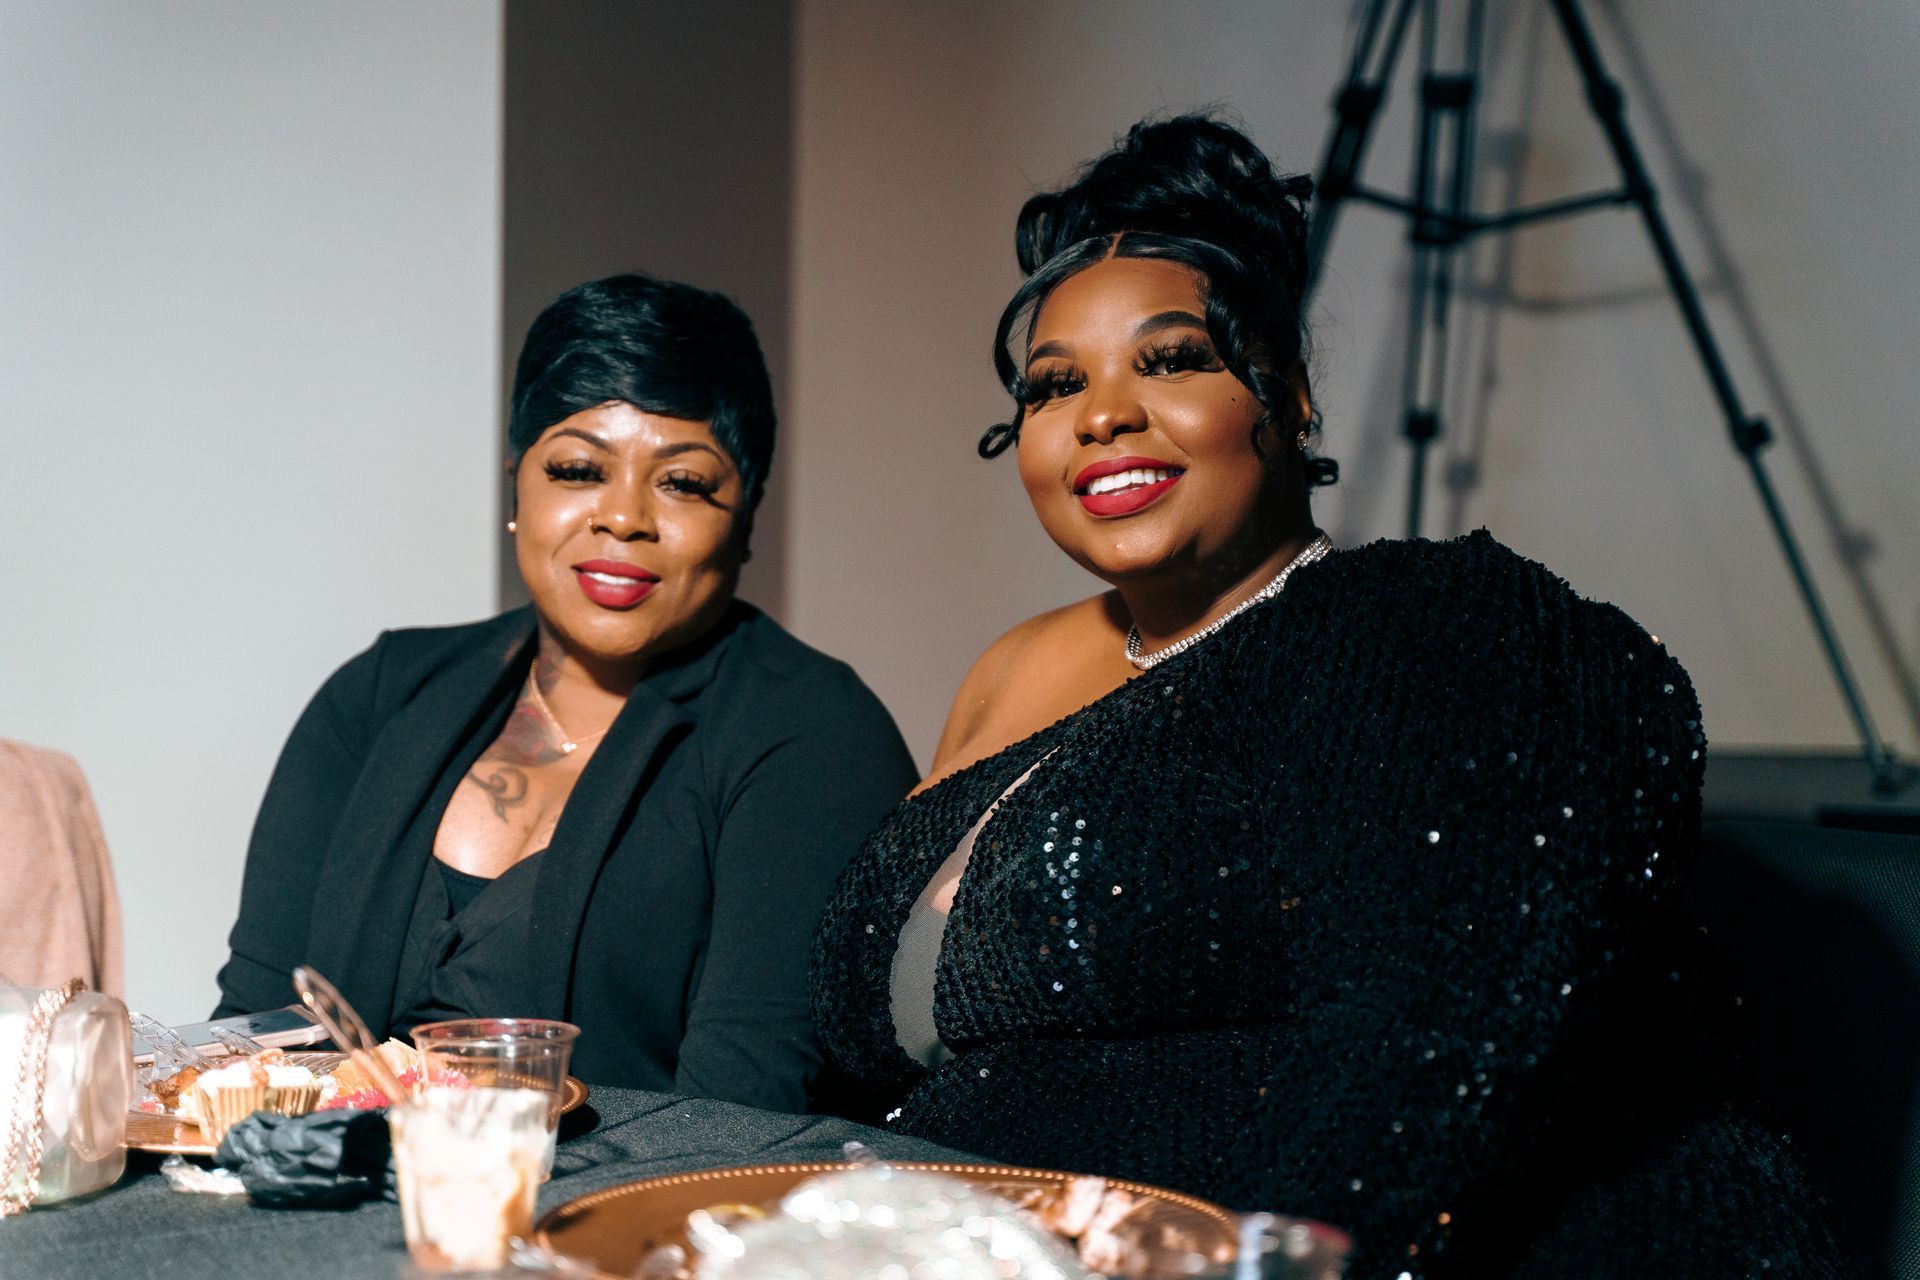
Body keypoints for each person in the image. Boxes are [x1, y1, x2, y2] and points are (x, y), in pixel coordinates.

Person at [811, 118, 1855, 1276]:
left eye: (1173, 359)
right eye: (1057, 383)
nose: (1103, 413)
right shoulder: (1011, 669)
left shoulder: (1429, 625)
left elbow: (1415, 1061)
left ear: (1294, 396)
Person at [217, 273, 916, 1110]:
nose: (623, 518)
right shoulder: (381, 694)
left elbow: (744, 1116)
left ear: (746, 516)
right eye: (579, 469)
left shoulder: (814, 734)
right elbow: (250, 1044)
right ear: (518, 485)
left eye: (683, 483)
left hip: (644, 1195)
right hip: (311, 1187)